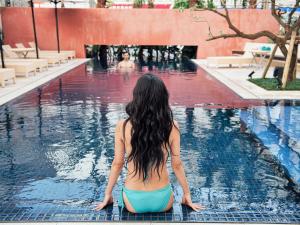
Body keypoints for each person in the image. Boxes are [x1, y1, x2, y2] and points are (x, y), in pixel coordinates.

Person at [94, 74, 205, 213]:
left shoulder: (122, 126)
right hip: (163, 200)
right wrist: (187, 195)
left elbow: (117, 164)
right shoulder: (172, 126)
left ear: (137, 96)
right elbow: (177, 165)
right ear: (162, 97)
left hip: (133, 201)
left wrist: (107, 195)